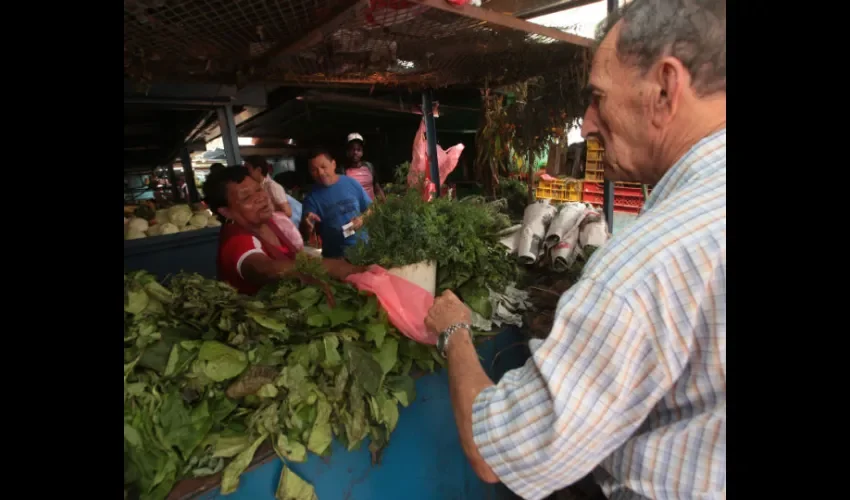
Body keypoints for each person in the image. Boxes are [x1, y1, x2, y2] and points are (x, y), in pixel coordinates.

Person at [425, 1, 726, 499]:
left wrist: (454, 329)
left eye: (597, 97)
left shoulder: (649, 263)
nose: (586, 124)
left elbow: (497, 452)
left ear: (666, 88)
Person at [204, 165, 364, 295]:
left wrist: (340, 266)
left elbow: (296, 257)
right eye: (246, 197)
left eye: (258, 189)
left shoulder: (268, 222)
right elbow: (265, 269)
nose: (260, 197)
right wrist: (333, 268)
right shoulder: (236, 239)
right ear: (226, 211)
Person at [300, 149, 372, 259]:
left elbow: (372, 208)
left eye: (323, 167)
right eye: (314, 170)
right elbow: (305, 231)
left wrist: (362, 219)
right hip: (337, 258)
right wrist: (306, 226)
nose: (320, 173)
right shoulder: (311, 198)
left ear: (333, 164)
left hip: (366, 250)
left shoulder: (350, 182)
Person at [344, 133, 385, 202]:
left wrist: (385, 205)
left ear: (362, 152)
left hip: (372, 210)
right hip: (356, 212)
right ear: (347, 152)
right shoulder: (343, 172)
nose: (355, 152)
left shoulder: (369, 167)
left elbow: (377, 188)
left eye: (358, 149)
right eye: (352, 149)